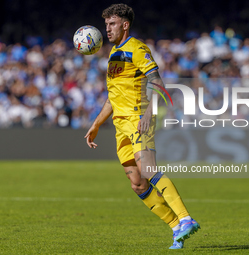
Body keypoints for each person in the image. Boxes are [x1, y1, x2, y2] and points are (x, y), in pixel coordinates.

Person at [84, 3, 200, 249]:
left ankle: (186, 218)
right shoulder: (114, 54)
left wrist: (149, 112)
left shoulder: (136, 48)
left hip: (139, 119)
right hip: (120, 125)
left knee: (148, 170)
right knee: (137, 183)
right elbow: (112, 98)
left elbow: (157, 81)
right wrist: (95, 124)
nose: (107, 29)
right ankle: (176, 227)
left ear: (125, 25)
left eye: (112, 24)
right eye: (106, 24)